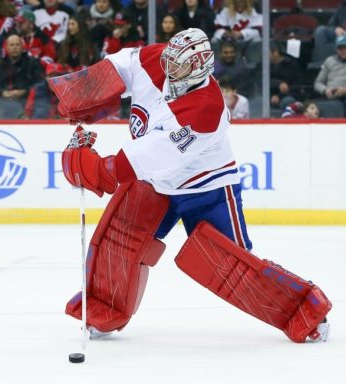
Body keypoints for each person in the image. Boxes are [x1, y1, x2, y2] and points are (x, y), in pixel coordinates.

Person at [53, 28, 331, 343]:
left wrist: (97, 169)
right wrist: (86, 91)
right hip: (156, 183)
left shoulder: (205, 108)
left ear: (199, 68)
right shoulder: (157, 59)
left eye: (180, 64)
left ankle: (304, 310)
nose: (169, 67)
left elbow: (152, 154)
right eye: (169, 58)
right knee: (118, 243)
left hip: (205, 188)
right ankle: (105, 308)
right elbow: (123, 64)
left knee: (232, 266)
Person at [0, 34, 45, 103]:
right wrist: (2, 92)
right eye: (11, 45)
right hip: (3, 101)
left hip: (25, 100)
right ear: (6, 47)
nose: (14, 47)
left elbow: (40, 84)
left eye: (17, 45)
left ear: (22, 47)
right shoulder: (0, 64)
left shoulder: (32, 63)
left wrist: (24, 91)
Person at [269, 40, 303, 110]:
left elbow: (297, 86)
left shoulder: (292, 64)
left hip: (289, 95)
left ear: (275, 52)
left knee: (287, 101)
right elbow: (260, 81)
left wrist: (279, 96)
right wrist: (279, 83)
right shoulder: (264, 65)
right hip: (268, 95)